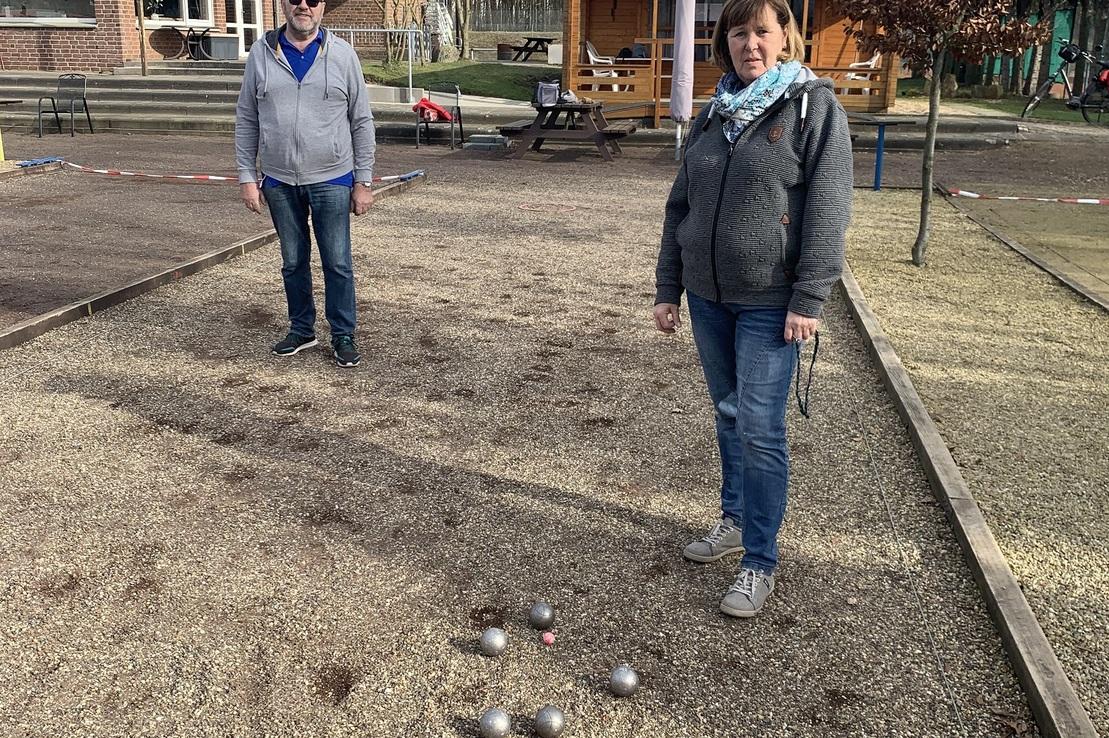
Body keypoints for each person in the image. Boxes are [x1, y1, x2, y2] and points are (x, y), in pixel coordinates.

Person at [653, 0, 852, 618]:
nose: (751, 43)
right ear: (726, 43)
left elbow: (829, 207)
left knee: (761, 429)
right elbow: (680, 205)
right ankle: (734, 520)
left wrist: (809, 297)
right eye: (738, 33)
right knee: (728, 413)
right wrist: (668, 286)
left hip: (772, 301)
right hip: (708, 296)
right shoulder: (714, 112)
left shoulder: (812, 107)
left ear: (785, 36)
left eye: (762, 31)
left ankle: (760, 560)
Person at [235, 0, 376, 368]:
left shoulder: (343, 55)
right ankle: (302, 329)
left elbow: (361, 120)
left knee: (338, 261)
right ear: (284, 5)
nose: (303, 6)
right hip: (279, 180)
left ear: (322, 7)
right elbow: (247, 118)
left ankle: (343, 333)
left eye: (312, 0)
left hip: (333, 177)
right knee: (293, 261)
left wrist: (363, 180)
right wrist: (247, 176)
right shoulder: (261, 54)